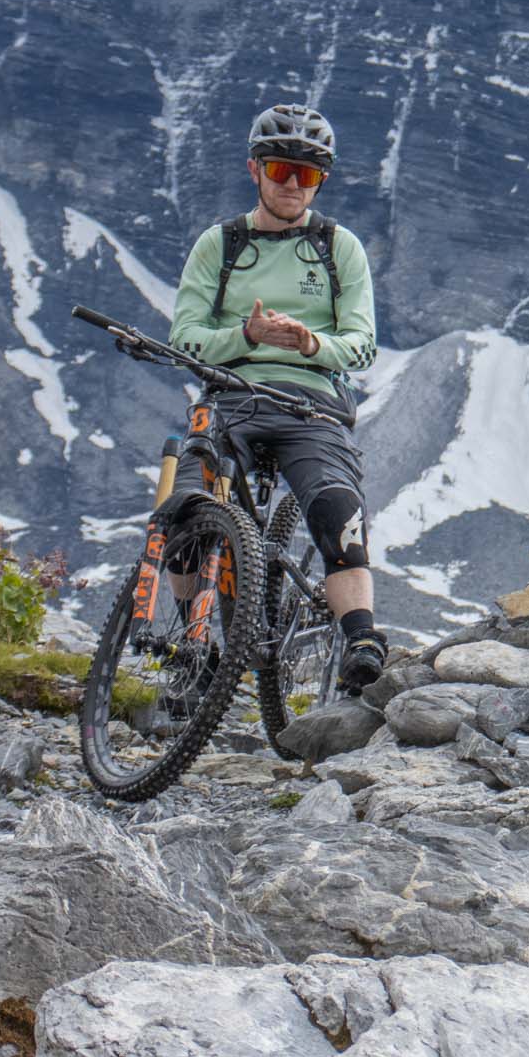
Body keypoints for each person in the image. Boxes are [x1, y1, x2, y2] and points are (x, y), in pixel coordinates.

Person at [168, 103, 386, 694]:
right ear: (255, 170)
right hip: (231, 396)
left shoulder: (339, 247)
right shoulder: (220, 244)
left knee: (338, 508)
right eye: (280, 170)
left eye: (307, 174)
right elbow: (184, 338)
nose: (293, 184)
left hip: (312, 405)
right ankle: (192, 644)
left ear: (321, 180)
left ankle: (362, 639)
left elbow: (362, 346)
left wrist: (312, 343)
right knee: (184, 508)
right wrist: (247, 336)